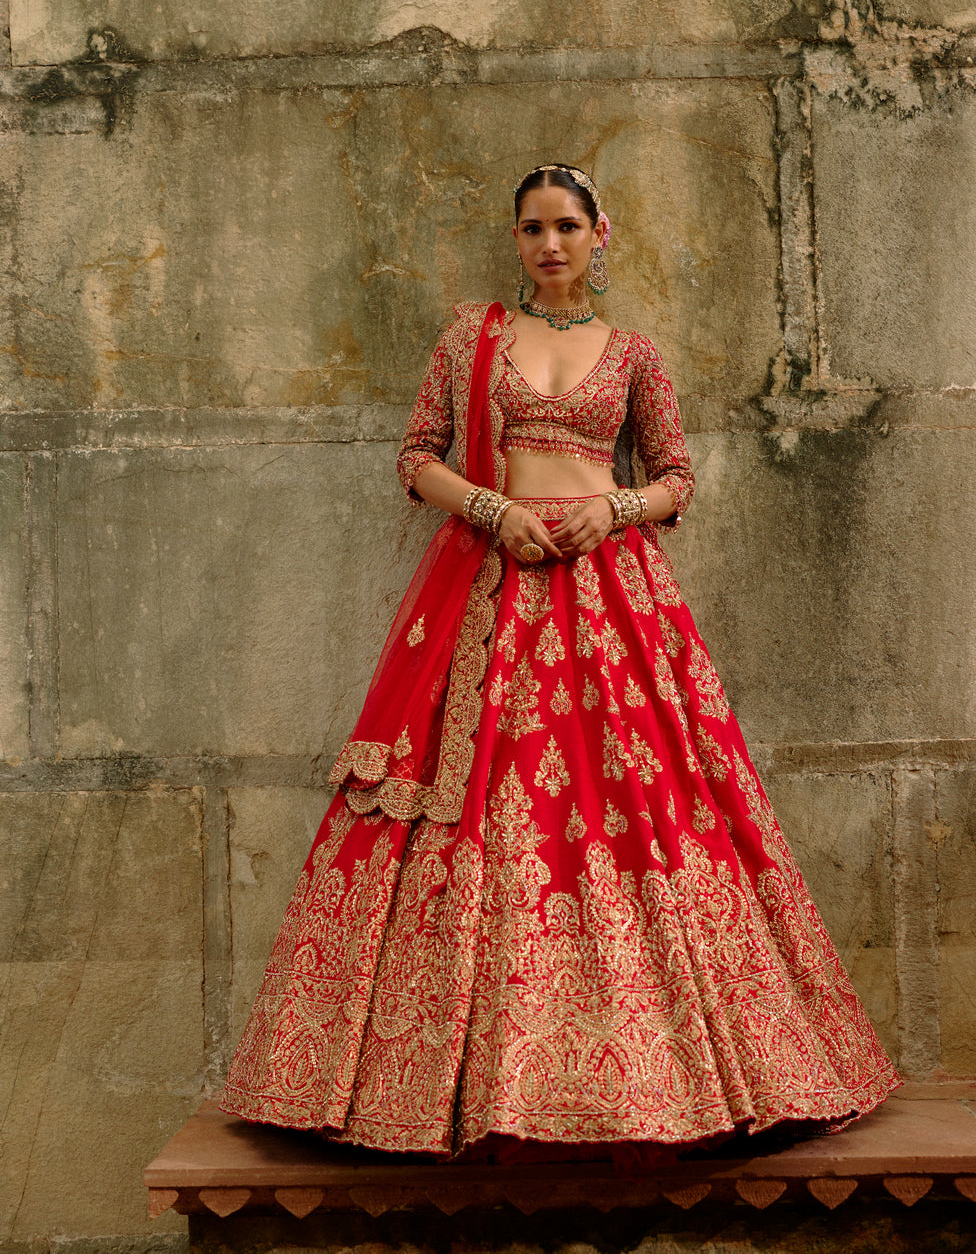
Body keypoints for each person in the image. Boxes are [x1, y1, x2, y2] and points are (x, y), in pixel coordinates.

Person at [220, 164, 900, 1160]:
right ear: (517, 238)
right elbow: (417, 458)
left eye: (567, 226)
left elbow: (676, 478)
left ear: (599, 234)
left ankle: (670, 1078)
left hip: (608, 596)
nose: (550, 244)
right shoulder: (471, 340)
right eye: (534, 228)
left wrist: (609, 507)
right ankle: (427, 1083)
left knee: (636, 805)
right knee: (474, 808)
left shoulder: (632, 356)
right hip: (483, 593)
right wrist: (493, 509)